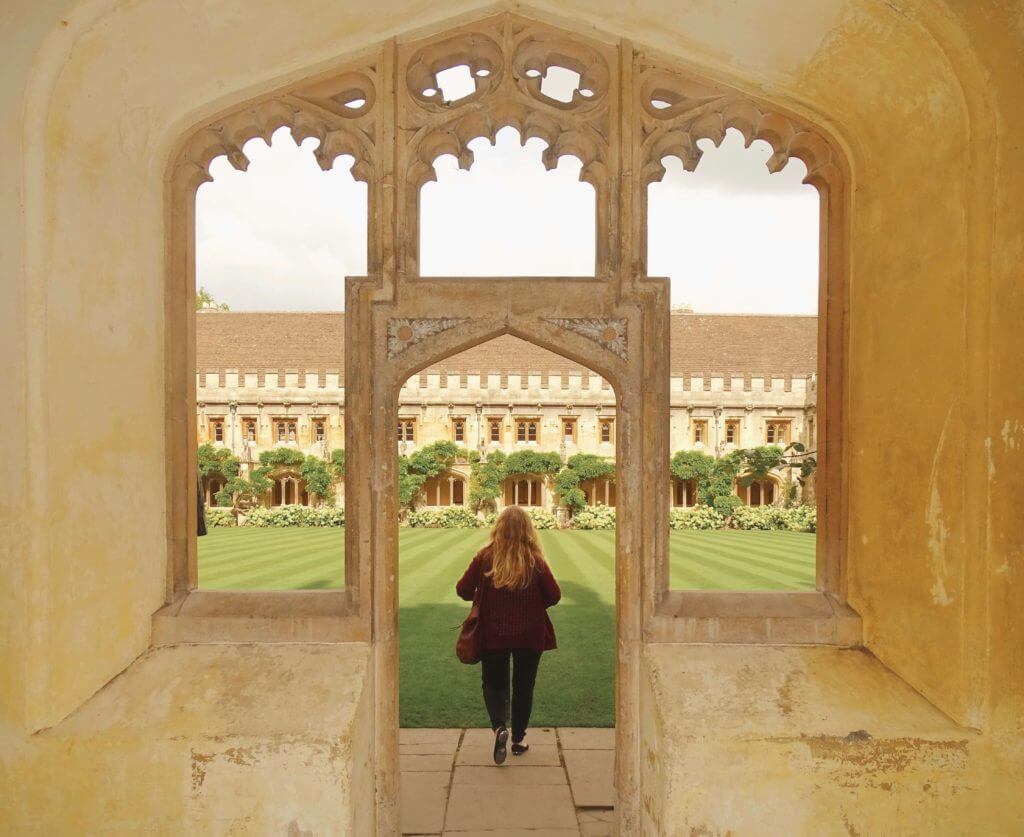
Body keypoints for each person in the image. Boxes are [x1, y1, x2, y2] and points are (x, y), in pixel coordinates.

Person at [456, 505, 561, 765]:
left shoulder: (485, 557)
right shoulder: (535, 560)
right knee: (524, 687)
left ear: (499, 527)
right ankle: (518, 740)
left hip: (493, 633)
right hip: (530, 635)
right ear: (528, 529)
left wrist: (484, 595)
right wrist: (532, 606)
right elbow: (554, 595)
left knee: (494, 683)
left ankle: (499, 727)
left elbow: (462, 589)